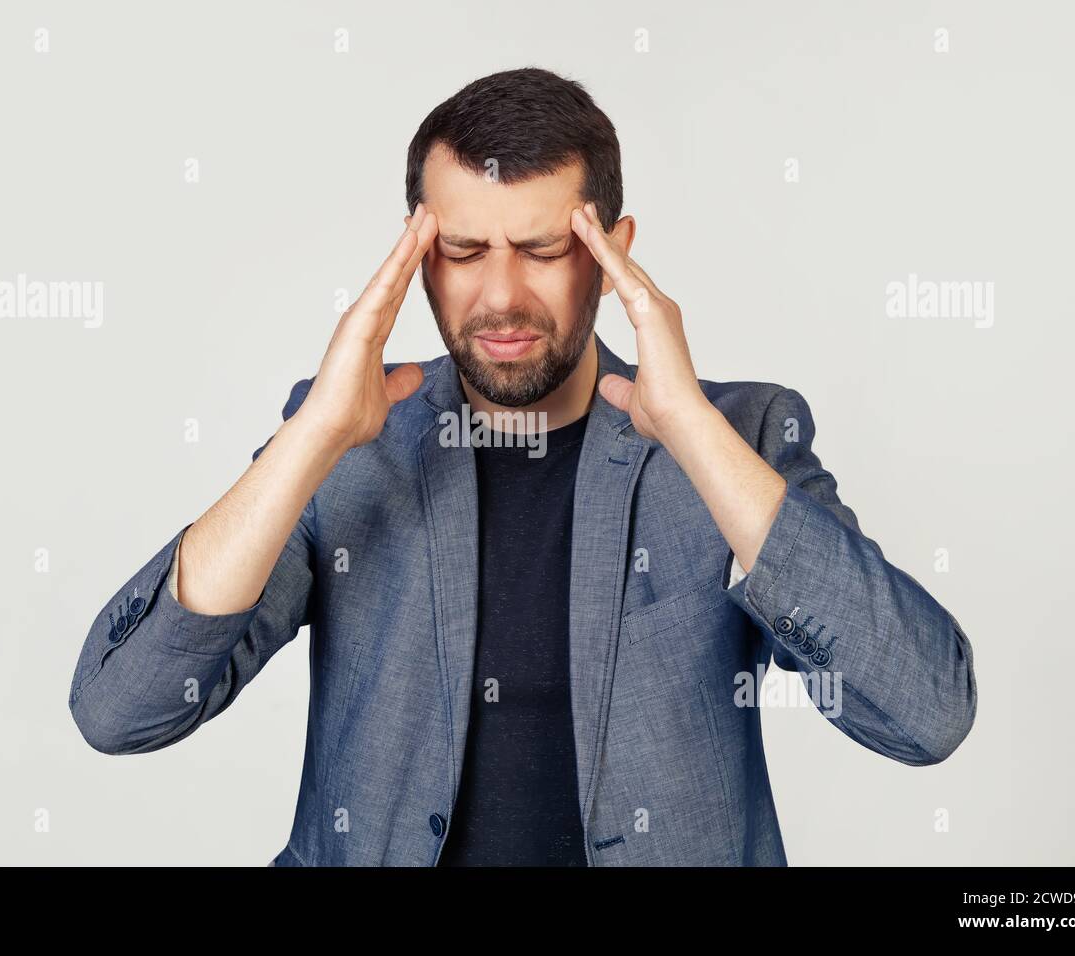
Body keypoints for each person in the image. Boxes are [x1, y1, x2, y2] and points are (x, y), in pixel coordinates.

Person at [68, 67, 977, 866]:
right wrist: (312, 439)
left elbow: (927, 714)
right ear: (417, 256)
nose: (500, 296)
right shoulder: (349, 445)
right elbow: (121, 710)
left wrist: (694, 430)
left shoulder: (742, 435)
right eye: (463, 252)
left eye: (543, 251)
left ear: (614, 250)